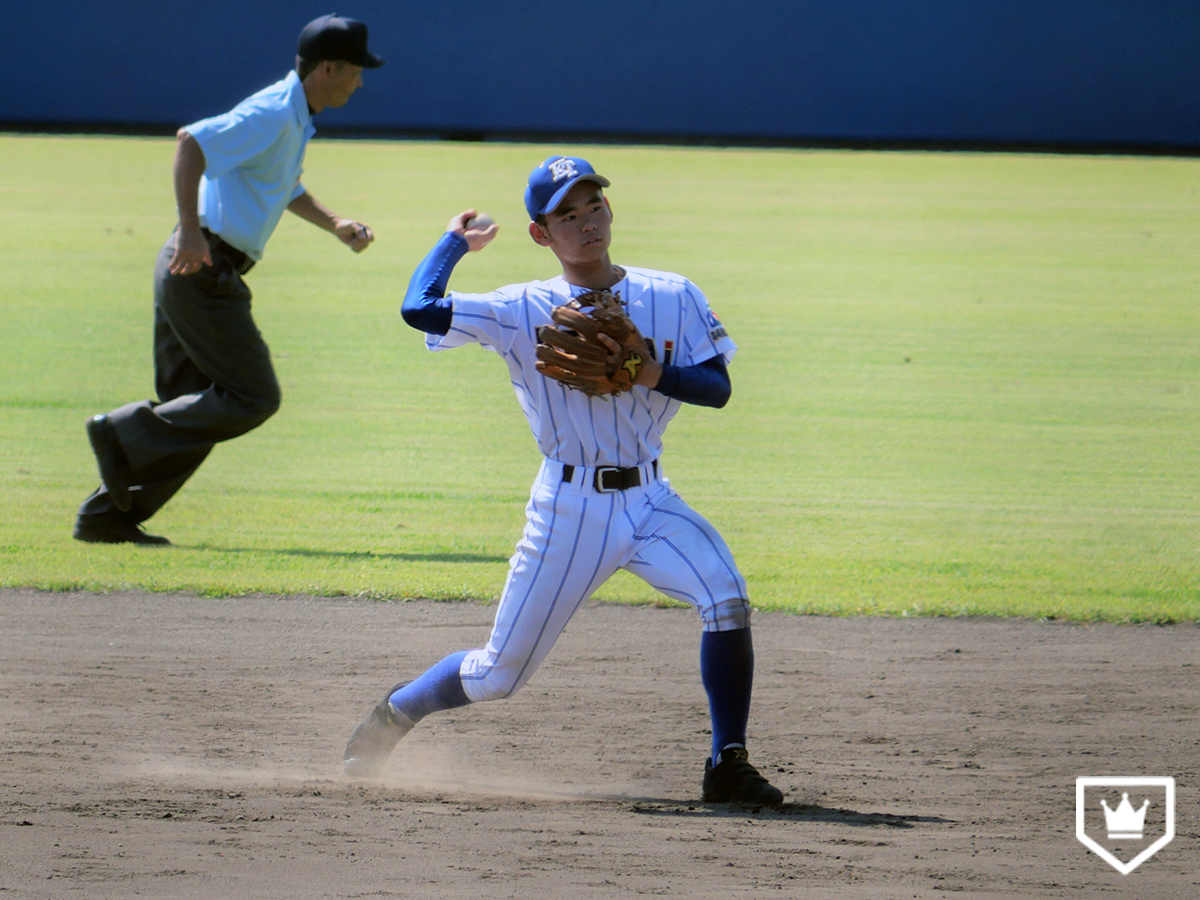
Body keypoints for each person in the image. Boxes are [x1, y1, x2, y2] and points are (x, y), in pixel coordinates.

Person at [343, 155, 784, 805]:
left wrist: (649, 373)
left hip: (651, 499)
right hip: (570, 509)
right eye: (567, 217)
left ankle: (727, 763)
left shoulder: (673, 295)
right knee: (497, 675)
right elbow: (420, 309)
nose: (586, 225)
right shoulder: (522, 308)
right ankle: (395, 714)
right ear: (541, 234)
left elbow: (717, 389)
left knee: (726, 597)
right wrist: (453, 243)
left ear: (611, 211)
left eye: (594, 208)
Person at [74, 14, 384, 545]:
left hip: (194, 266)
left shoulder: (293, 116)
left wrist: (335, 224)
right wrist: (192, 233)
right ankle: (121, 431)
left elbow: (282, 185)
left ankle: (108, 517)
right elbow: (190, 142)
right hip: (202, 267)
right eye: (356, 70)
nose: (361, 81)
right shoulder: (271, 113)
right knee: (252, 396)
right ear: (328, 67)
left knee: (196, 413)